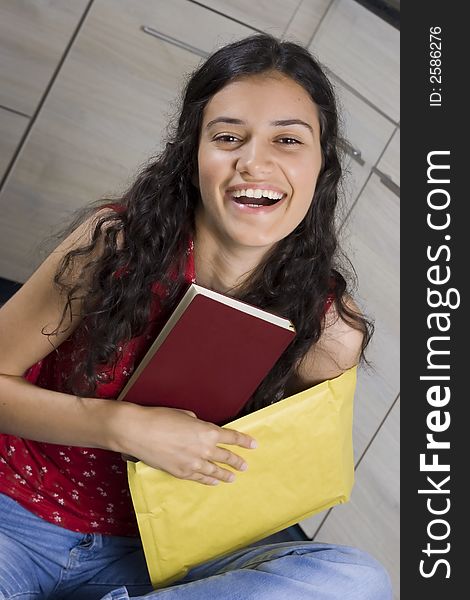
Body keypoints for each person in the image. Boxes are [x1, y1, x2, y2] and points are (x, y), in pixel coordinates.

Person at [0, 33, 392, 600]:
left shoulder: (328, 325)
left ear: (321, 164)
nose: (254, 162)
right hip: (15, 518)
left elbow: (284, 480)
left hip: (157, 560)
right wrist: (121, 426)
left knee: (357, 582)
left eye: (288, 140)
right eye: (228, 137)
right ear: (194, 155)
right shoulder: (117, 244)